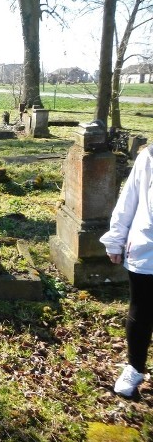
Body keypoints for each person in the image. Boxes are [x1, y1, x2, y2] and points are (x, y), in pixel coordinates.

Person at [100, 144, 153, 397]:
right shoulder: (148, 157)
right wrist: (115, 239)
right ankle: (134, 367)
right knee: (141, 309)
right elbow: (128, 200)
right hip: (147, 247)